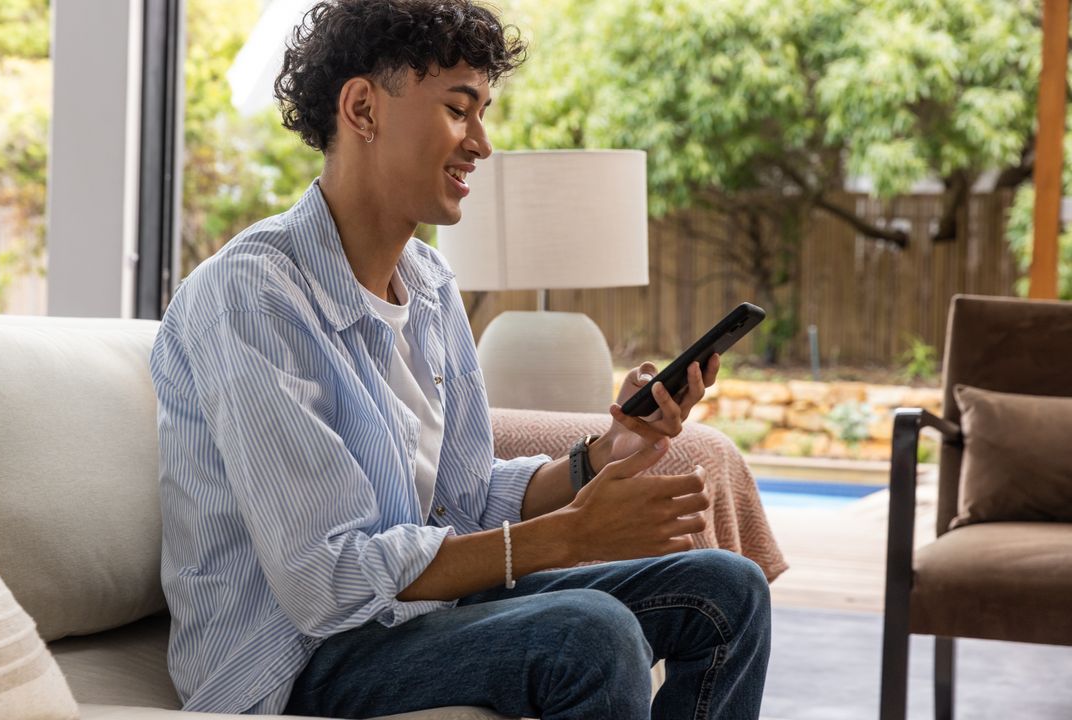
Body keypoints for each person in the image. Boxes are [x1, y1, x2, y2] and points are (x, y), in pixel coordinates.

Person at [149, 1, 771, 718]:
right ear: (362, 109)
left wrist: (602, 455)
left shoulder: (430, 284)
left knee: (728, 591)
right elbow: (325, 578)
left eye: (483, 113)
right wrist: (570, 535)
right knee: (591, 634)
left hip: (423, 614)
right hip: (293, 655)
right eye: (458, 109)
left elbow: (467, 499)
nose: (481, 143)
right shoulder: (250, 296)